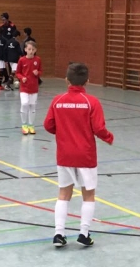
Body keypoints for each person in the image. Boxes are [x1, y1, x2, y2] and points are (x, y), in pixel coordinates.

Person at [44, 62, 114, 249]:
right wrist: (109, 137)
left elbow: (48, 125)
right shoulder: (92, 102)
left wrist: (63, 133)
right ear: (87, 81)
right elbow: (98, 128)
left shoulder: (58, 100)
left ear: (66, 80)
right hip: (86, 155)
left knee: (63, 193)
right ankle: (83, 233)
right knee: (88, 194)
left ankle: (59, 233)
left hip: (64, 155)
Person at [15, 40, 42, 134]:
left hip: (34, 88)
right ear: (25, 49)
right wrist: (21, 78)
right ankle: (24, 124)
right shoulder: (22, 60)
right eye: (29, 49)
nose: (31, 51)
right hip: (24, 87)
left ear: (35, 50)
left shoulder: (38, 60)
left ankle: (31, 125)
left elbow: (40, 71)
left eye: (33, 49)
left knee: (32, 106)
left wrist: (37, 73)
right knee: (24, 103)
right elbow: (18, 72)